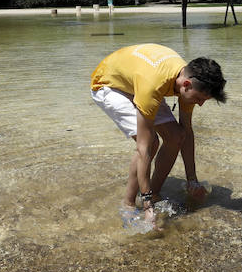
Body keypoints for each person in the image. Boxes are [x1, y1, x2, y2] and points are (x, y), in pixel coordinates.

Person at [91, 43, 226, 227]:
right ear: (186, 84)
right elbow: (143, 149)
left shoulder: (190, 80)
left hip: (136, 81)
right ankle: (129, 204)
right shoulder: (154, 85)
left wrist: (192, 180)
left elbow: (187, 131)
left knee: (177, 136)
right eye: (199, 99)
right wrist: (147, 208)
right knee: (151, 142)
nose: (200, 104)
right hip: (109, 85)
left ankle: (154, 193)